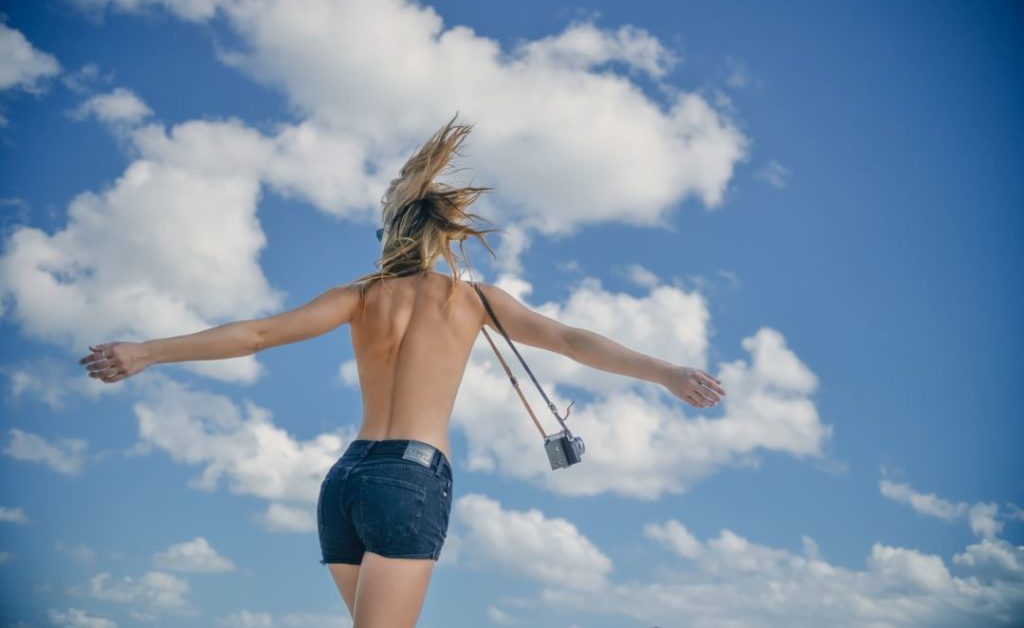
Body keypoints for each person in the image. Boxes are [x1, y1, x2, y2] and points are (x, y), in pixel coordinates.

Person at [78, 114, 726, 627]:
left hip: (345, 481)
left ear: (389, 234)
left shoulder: (359, 298)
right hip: (408, 479)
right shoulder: (469, 301)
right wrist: (666, 373)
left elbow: (257, 335)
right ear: (444, 237)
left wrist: (148, 351)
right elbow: (572, 341)